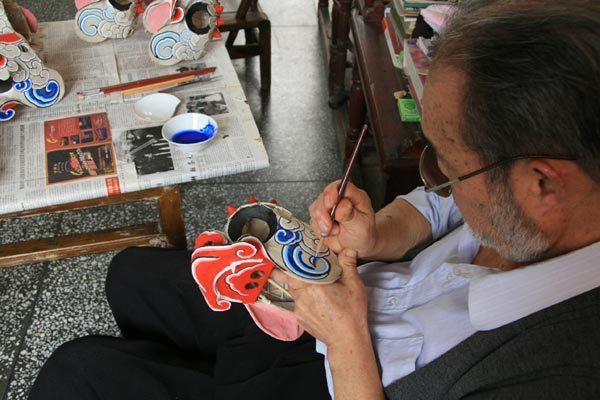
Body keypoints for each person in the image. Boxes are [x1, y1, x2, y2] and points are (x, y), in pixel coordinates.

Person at [29, 0, 600, 399]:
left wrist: (346, 335)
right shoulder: (539, 200)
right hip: (339, 316)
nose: (438, 177)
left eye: (446, 164)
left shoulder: (561, 371)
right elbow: (435, 206)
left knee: (76, 374)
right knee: (129, 275)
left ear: (542, 184)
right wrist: (379, 233)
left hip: (343, 376)